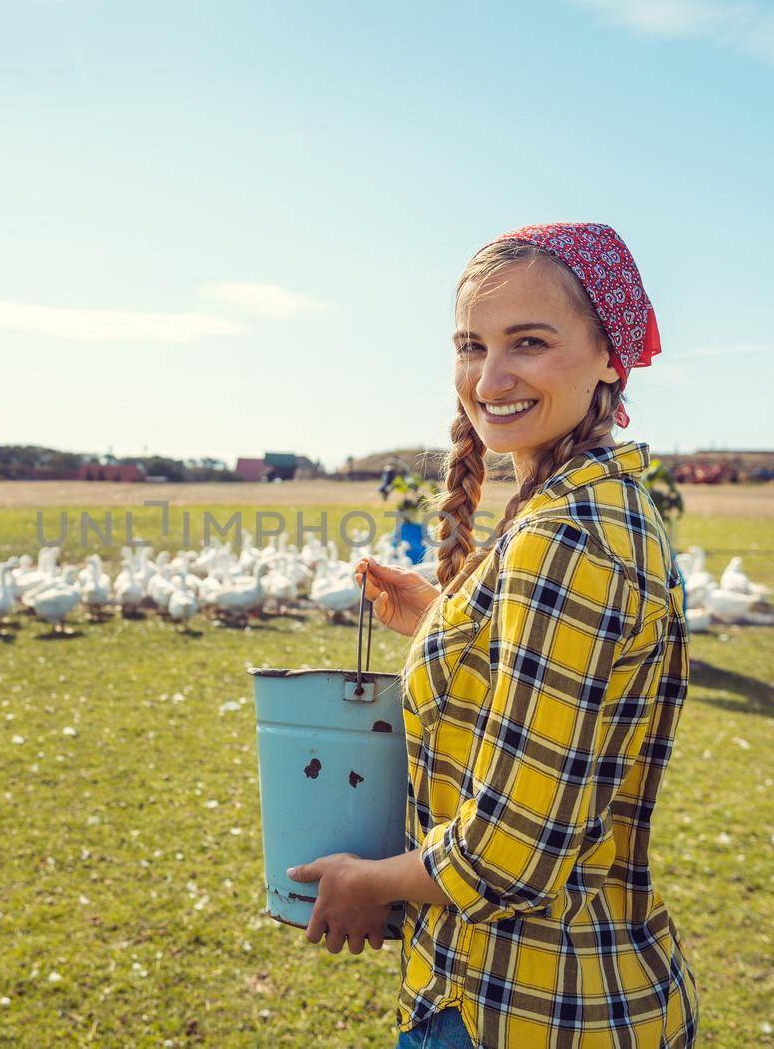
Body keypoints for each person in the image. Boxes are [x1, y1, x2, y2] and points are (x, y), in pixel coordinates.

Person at [286, 223, 699, 1047]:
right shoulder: (586, 507)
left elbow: (510, 850)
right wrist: (444, 616)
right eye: (472, 345)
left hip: (524, 1010)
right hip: (574, 995)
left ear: (610, 358)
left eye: (530, 343)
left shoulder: (567, 535)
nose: (491, 377)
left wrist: (369, 882)